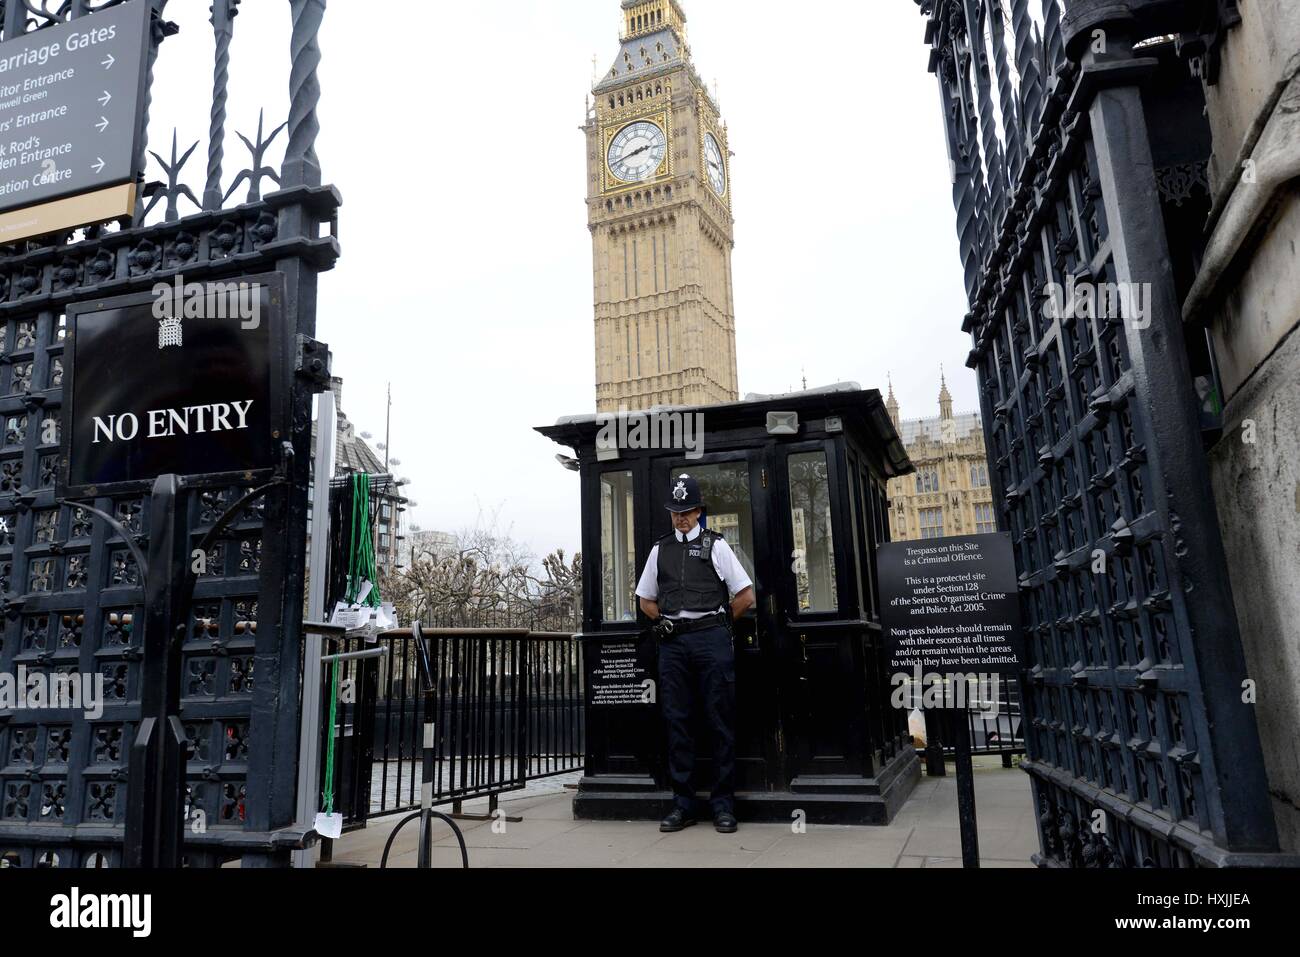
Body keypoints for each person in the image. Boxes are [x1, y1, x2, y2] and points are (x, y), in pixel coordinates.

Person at [636, 473, 755, 833]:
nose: (680, 518)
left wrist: (717, 625)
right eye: (675, 512)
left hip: (711, 641)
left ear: (699, 511)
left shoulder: (717, 546)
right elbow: (645, 600)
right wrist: (670, 623)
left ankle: (723, 806)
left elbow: (745, 596)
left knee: (719, 722)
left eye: (687, 511)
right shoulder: (660, 550)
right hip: (673, 644)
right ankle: (682, 805)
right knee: (678, 723)